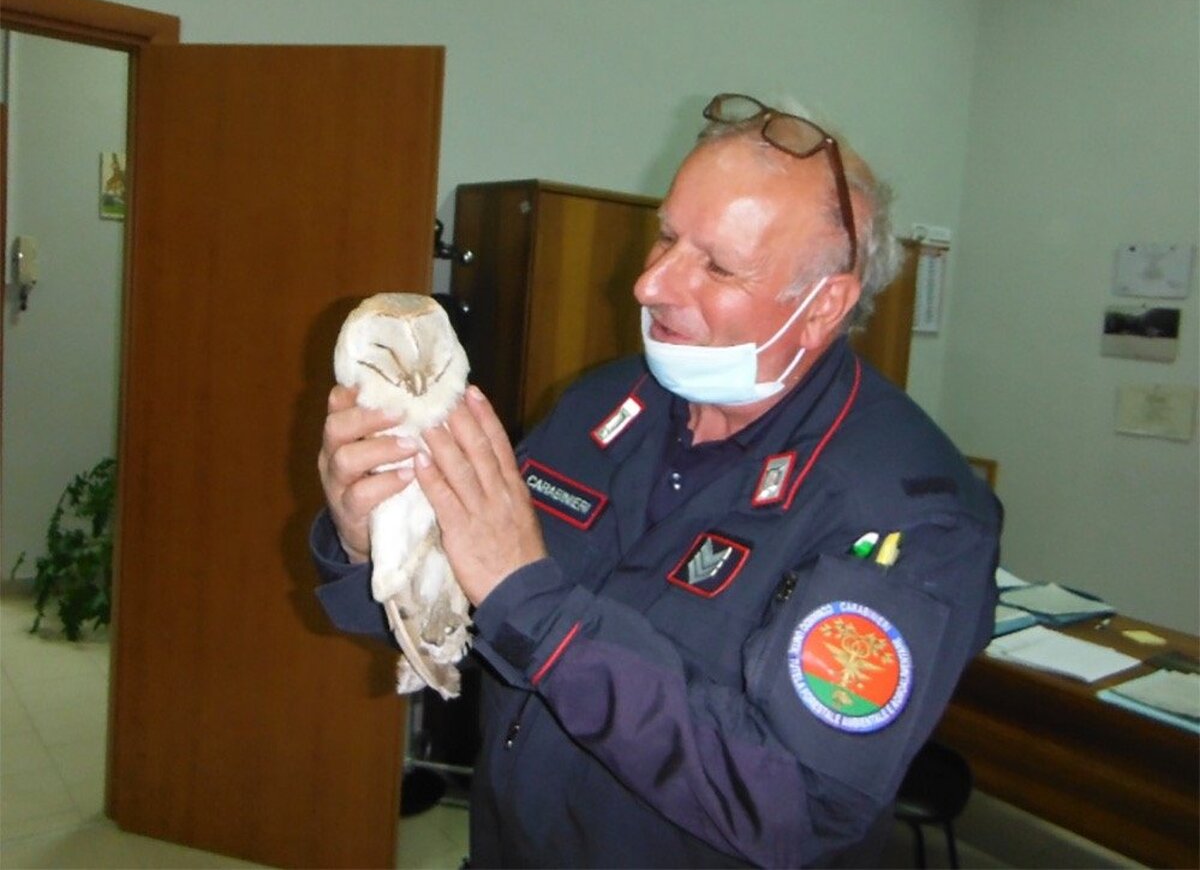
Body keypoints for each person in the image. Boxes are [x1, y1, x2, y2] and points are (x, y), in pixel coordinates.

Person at [313, 93, 1001, 868]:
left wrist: (537, 606)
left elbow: (797, 805)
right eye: (667, 237)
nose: (652, 284)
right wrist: (376, 543)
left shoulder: (909, 512)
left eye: (717, 265)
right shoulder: (603, 404)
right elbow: (471, 620)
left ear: (822, 307)